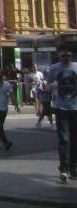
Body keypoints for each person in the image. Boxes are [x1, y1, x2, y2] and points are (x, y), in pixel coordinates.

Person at [46, 45, 77, 182]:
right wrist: (51, 86)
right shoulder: (54, 68)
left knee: (75, 140)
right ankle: (64, 169)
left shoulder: (76, 67)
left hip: (75, 108)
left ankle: (74, 168)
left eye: (68, 55)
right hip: (61, 108)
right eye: (64, 55)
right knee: (64, 139)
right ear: (59, 56)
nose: (66, 58)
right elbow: (46, 86)